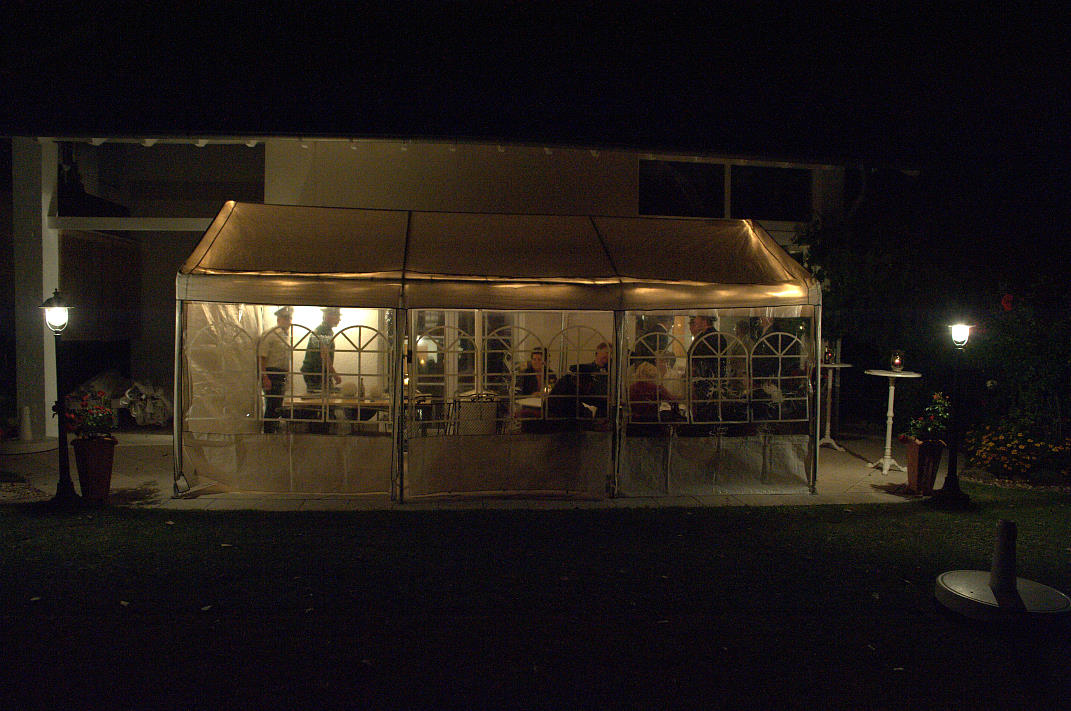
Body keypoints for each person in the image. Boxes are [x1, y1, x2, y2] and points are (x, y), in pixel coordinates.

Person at [258, 306, 292, 433]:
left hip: (281, 374)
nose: (288, 321)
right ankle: (269, 432)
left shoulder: (285, 335)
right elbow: (262, 356)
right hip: (272, 373)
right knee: (272, 405)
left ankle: (274, 430)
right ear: (279, 319)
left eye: (289, 318)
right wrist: (265, 377)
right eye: (285, 318)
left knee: (277, 405)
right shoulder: (270, 334)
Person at [301, 306, 342, 392]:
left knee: (323, 394)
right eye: (337, 316)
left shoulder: (322, 330)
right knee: (322, 396)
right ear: (328, 316)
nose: (339, 319)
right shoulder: (324, 331)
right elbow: (324, 355)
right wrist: (334, 375)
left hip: (316, 371)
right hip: (316, 372)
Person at [687, 315, 720, 422]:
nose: (695, 321)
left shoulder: (706, 338)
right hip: (711, 384)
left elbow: (700, 362)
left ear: (704, 321)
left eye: (697, 318)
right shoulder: (715, 336)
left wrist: (693, 376)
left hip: (703, 385)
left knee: (703, 414)